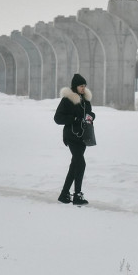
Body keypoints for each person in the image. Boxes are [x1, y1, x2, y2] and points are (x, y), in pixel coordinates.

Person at [54, 73, 95, 205]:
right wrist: (74, 119)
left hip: (83, 137)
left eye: (84, 86)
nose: (83, 88)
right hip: (71, 136)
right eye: (81, 86)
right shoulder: (67, 100)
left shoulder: (86, 100)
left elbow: (89, 113)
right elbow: (57, 118)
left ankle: (64, 194)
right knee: (81, 163)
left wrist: (91, 116)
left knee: (75, 165)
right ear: (75, 87)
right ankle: (77, 195)